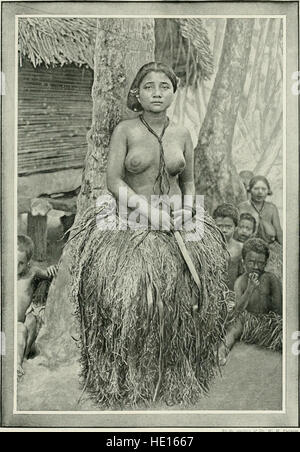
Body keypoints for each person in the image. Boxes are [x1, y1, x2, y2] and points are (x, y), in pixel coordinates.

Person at [69, 62, 229, 407]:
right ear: (137, 94)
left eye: (164, 87)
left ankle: (176, 373)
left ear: (174, 92)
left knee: (182, 301)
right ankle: (125, 378)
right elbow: (114, 181)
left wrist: (186, 207)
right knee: (129, 300)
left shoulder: (183, 133)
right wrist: (148, 211)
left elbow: (187, 180)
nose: (157, 93)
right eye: (148, 87)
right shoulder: (125, 130)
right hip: (130, 218)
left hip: (176, 220)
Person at [218, 238, 282, 365]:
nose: (256, 267)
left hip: (268, 322)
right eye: (251, 262)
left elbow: (279, 307)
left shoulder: (270, 279)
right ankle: (221, 352)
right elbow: (237, 310)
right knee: (234, 327)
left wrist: (273, 324)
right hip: (247, 322)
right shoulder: (240, 282)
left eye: (261, 263)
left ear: (266, 263)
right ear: (243, 262)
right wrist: (250, 289)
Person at [17, 234, 57, 378]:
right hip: (7, 332)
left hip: (22, 330)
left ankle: (20, 361)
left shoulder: (31, 273)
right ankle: (17, 361)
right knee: (19, 330)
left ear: (28, 262)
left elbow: (47, 273)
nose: (16, 267)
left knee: (31, 320)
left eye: (20, 263)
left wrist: (51, 269)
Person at [238, 175, 283, 281]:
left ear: (268, 191)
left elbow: (278, 232)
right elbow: (237, 231)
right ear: (250, 190)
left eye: (263, 189)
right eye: (256, 189)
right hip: (246, 247)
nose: (260, 192)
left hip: (269, 248)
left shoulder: (271, 208)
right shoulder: (242, 207)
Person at [213, 203, 243, 290]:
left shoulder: (240, 248)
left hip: (232, 295)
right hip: (212, 294)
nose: (223, 230)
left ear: (236, 227)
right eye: (219, 226)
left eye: (228, 227)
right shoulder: (207, 249)